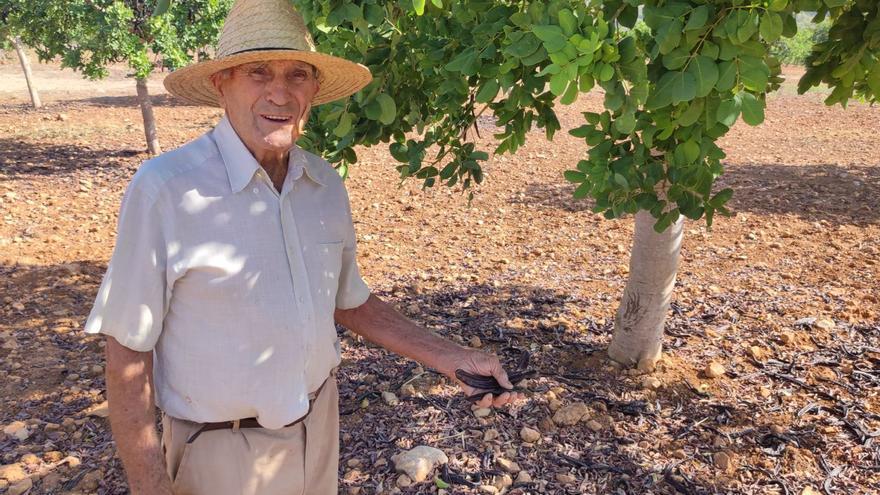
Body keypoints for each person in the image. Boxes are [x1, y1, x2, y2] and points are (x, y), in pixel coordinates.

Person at [83, 0, 521, 494]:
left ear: (314, 89)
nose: (279, 92)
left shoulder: (323, 182)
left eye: (297, 74)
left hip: (320, 430)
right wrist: (149, 486)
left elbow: (347, 300)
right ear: (219, 83)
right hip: (221, 454)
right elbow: (127, 349)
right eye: (257, 72)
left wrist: (452, 357)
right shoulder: (166, 189)